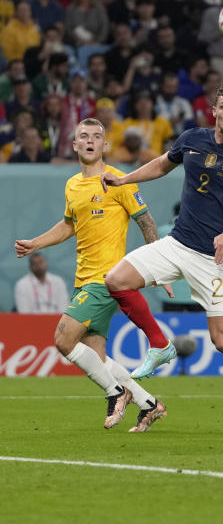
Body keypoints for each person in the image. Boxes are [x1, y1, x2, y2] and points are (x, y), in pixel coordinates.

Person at [100, 84, 223, 438]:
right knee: (116, 279)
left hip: (214, 260)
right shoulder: (192, 139)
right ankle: (160, 344)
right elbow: (161, 165)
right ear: (213, 109)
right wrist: (124, 179)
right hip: (177, 244)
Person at [14, 118, 167, 432]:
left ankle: (116, 392)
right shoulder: (72, 184)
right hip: (83, 279)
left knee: (62, 338)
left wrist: (157, 265)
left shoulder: (119, 181)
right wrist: (35, 243)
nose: (89, 140)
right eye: (83, 136)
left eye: (96, 136)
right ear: (74, 145)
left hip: (107, 279)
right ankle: (149, 403)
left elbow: (146, 221)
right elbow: (68, 225)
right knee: (97, 357)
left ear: (104, 146)